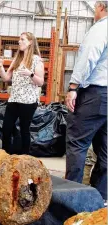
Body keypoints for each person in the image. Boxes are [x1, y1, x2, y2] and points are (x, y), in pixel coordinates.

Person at [65, 1, 107, 201]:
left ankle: (71, 199)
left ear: (101, 6)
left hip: (94, 93)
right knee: (106, 149)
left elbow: (88, 57)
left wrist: (73, 87)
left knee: (77, 144)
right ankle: (100, 198)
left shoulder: (100, 29)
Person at [0, 32, 45, 155]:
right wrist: (1, 66)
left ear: (30, 42)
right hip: (14, 98)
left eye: (22, 39)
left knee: (25, 129)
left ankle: (25, 157)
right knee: (6, 128)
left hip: (28, 101)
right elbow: (6, 78)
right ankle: (5, 155)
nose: (19, 41)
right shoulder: (17, 59)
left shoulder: (37, 60)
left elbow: (40, 82)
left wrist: (30, 74)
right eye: (19, 39)